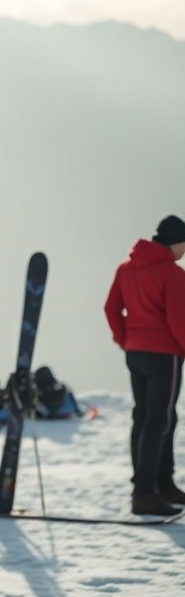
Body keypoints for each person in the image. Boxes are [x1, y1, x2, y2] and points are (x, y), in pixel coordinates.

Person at [103, 214, 185, 516]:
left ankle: (160, 484)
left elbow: (111, 308)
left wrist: (125, 339)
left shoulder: (126, 269)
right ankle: (145, 493)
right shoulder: (173, 274)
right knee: (159, 420)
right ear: (176, 242)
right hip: (164, 355)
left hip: (135, 354)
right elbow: (179, 320)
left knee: (146, 417)